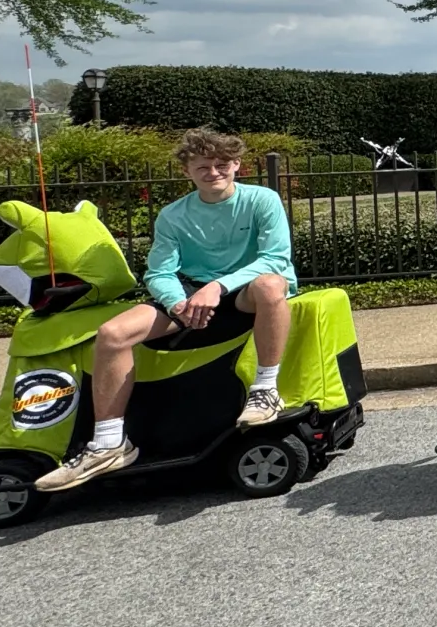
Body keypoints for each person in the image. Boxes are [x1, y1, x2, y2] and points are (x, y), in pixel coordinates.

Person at [36, 127, 298, 492]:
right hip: (190, 293)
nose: (214, 173)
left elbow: (274, 259)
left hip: (243, 292)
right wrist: (178, 302)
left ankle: (265, 391)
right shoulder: (173, 215)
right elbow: (159, 272)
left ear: (237, 165)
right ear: (187, 171)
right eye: (203, 167)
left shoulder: (262, 200)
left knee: (272, 284)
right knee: (113, 334)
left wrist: (216, 287)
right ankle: (110, 444)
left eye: (222, 164)